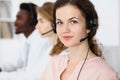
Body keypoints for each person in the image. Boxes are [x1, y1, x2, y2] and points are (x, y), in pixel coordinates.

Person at [40, 0, 120, 80]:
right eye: (60, 23)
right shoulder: (53, 64)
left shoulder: (105, 74)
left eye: (73, 21)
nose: (65, 30)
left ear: (89, 26)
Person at [0, 2, 51, 80]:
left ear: (32, 20)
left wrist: (2, 76)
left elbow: (31, 76)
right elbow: (15, 62)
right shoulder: (26, 39)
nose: (15, 22)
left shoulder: (41, 40)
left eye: (19, 18)